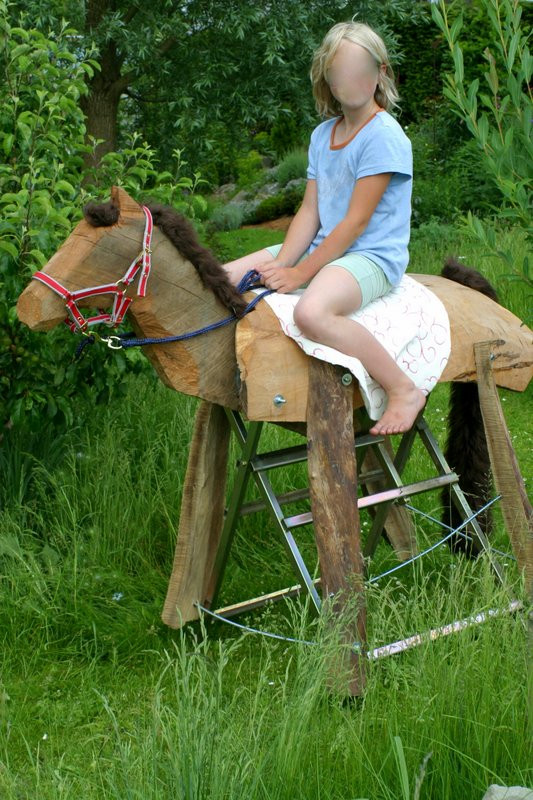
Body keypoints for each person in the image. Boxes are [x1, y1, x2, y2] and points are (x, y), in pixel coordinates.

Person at [223, 21, 425, 435]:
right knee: (221, 278)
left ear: (380, 72)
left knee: (311, 311)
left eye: (358, 70)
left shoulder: (384, 136)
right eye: (338, 72)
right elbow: (310, 211)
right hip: (328, 246)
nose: (347, 81)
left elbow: (356, 222)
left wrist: (298, 273)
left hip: (370, 256)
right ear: (327, 78)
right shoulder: (322, 135)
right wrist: (284, 260)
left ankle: (402, 389)